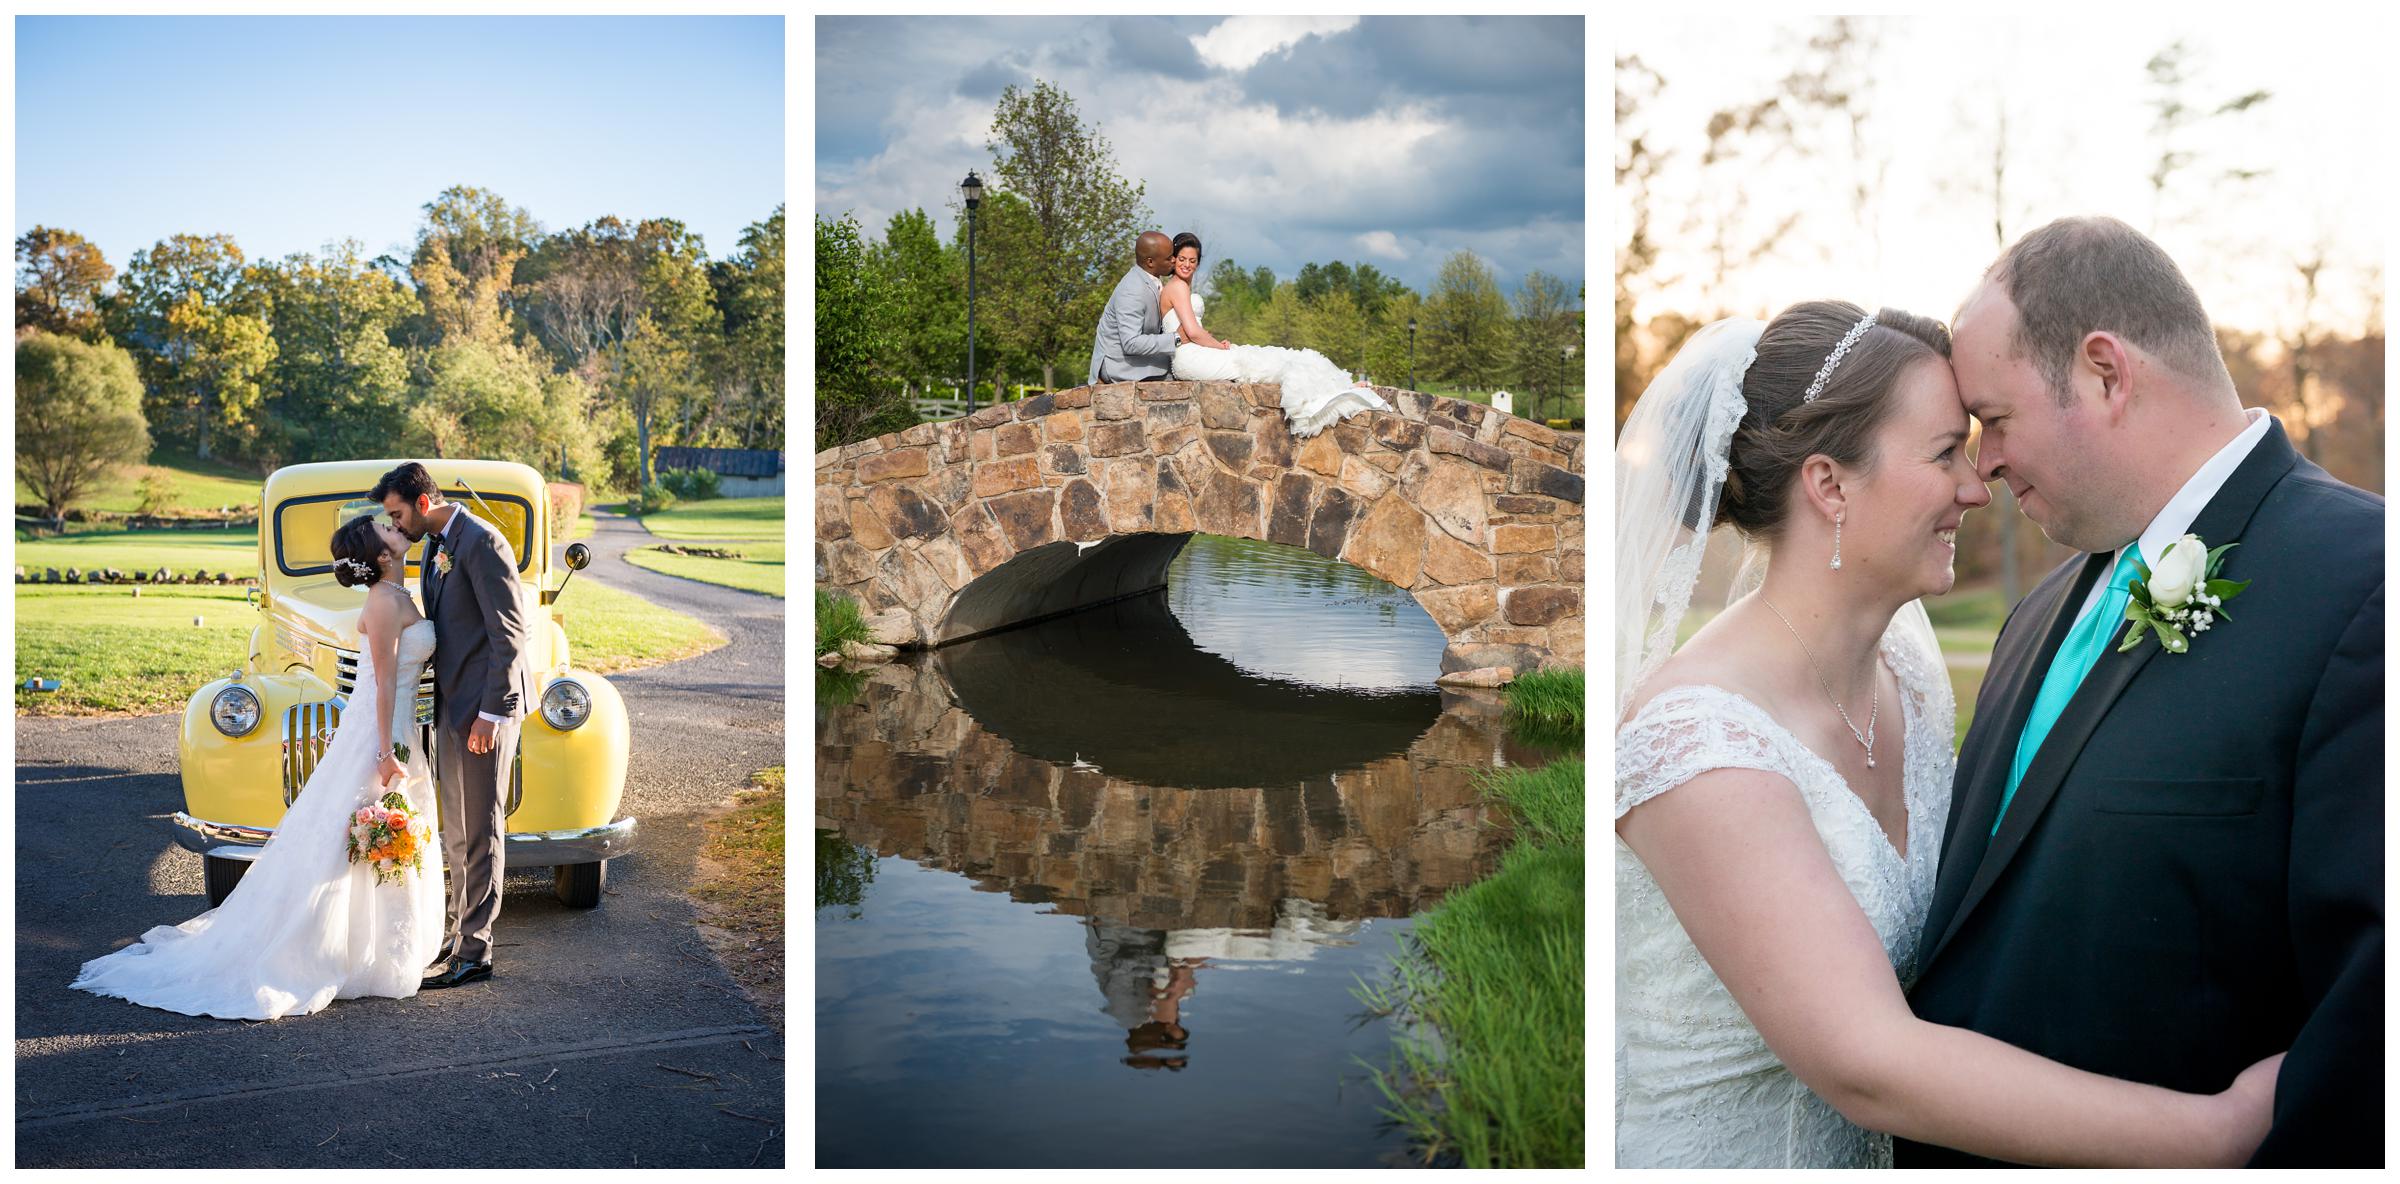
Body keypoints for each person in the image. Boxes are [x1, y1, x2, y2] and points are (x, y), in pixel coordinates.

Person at [1613, 299, 2282, 1167]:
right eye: (1943, 455)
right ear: (1829, 485)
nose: (1978, 484)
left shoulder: (1906, 670)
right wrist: (2215, 1135)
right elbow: (1869, 1066)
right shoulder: (1699, 744)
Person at [1904, 216, 2383, 1167]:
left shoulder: (2367, 587)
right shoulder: (2037, 615)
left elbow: (2372, 1024)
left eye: (1995, 420)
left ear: (2105, 374)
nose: (1984, 465)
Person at [70, 513, 444, 1019]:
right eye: (388, 528)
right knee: (359, 835)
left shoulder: (399, 595)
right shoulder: (382, 603)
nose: (397, 526)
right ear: (380, 555)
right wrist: (384, 751)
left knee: (372, 837)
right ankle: (340, 953)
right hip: (380, 733)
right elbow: (379, 685)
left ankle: (383, 949)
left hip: (396, 730)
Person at [375, 461, 533, 990]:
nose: (395, 525)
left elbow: (509, 635)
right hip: (451, 704)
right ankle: (461, 934)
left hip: (486, 708)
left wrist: (492, 713)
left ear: (423, 503)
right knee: (458, 829)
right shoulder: (433, 545)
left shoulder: (483, 542)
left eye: (397, 513)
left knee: (482, 826)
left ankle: (476, 951)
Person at [1157, 231, 1391, 438]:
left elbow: (1193, 332)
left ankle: (1343, 388)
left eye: (1193, 260)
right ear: (1173, 259)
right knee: (1257, 364)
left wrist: (1216, 344)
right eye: (1182, 259)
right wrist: (1220, 347)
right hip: (1191, 357)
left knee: (1263, 359)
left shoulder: (1181, 287)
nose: (1187, 264)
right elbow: (1194, 332)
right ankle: (1339, 392)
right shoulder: (1177, 286)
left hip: (1195, 352)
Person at [1087, 230, 1185, 385]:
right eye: (1168, 258)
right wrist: (1176, 338)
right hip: (1120, 365)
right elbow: (1131, 343)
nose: (1174, 260)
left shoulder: (1149, 279)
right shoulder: (1132, 290)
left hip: (1136, 359)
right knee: (1184, 372)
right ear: (1150, 262)